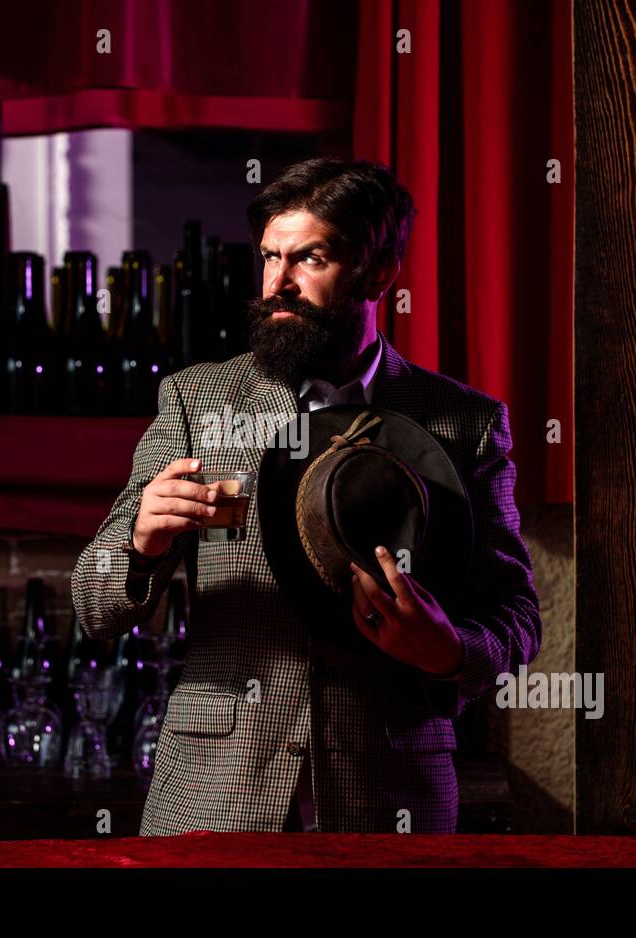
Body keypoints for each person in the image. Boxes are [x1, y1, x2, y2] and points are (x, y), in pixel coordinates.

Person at [71, 157, 541, 834]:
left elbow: (516, 615)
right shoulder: (195, 400)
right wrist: (139, 547)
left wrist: (447, 651)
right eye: (269, 257)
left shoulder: (464, 422)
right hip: (213, 803)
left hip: (389, 805)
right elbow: (92, 602)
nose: (277, 283)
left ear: (379, 273)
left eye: (309, 258)